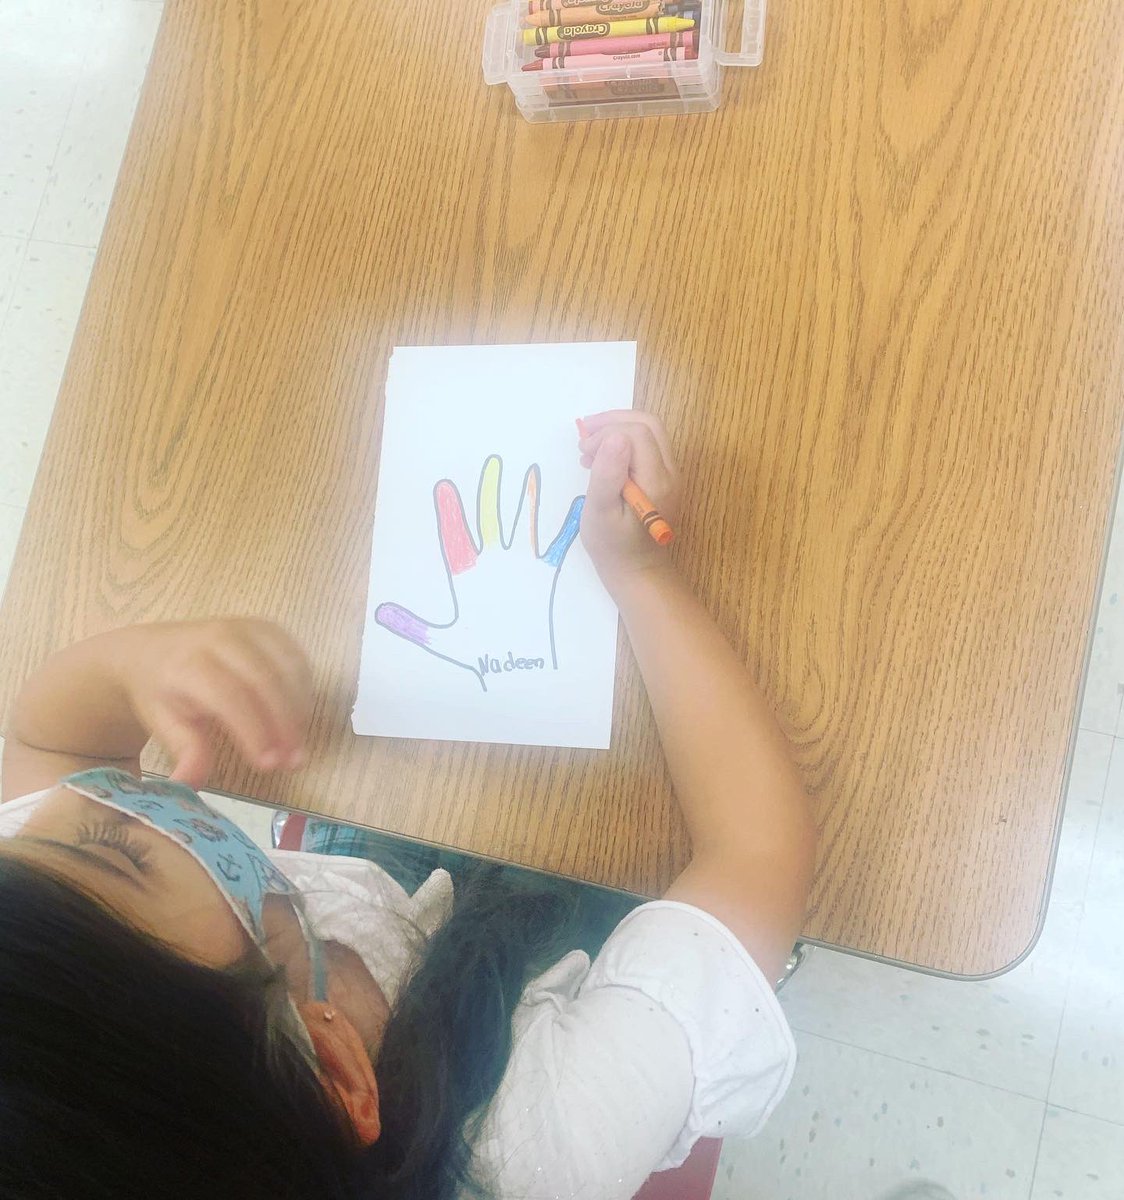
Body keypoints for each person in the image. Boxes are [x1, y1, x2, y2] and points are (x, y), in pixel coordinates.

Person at [0, 411, 816, 1200]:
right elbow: (754, 854)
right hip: (548, 957)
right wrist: (641, 577)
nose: (79, 799)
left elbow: (49, 750)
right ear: (334, 1068)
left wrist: (133, 668)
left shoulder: (36, 936)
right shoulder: (535, 1149)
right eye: (117, 847)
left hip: (362, 873)